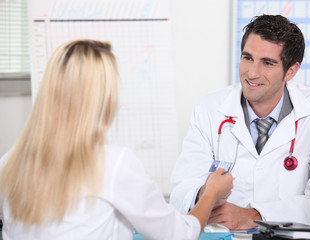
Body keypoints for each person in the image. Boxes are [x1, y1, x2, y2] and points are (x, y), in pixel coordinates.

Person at [0, 40, 233, 240]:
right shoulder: (113, 163)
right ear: (101, 98)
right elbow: (178, 234)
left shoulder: (9, 163)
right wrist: (211, 192)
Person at [170, 14, 310, 231]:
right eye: (247, 58)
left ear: (291, 71)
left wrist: (254, 216)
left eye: (267, 63)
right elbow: (181, 189)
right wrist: (205, 195)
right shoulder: (210, 108)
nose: (252, 73)